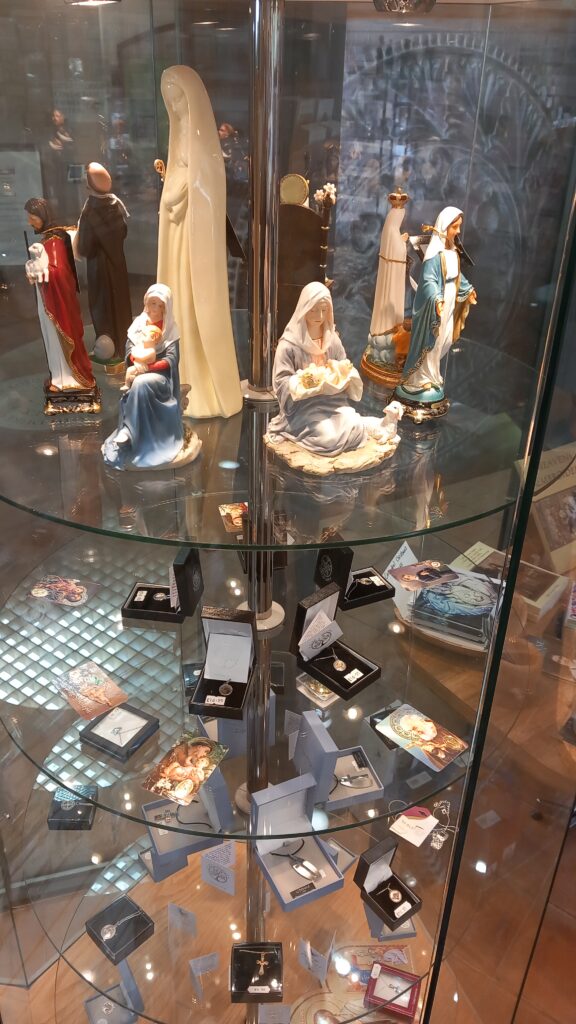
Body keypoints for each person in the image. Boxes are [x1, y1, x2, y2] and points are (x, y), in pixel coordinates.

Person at [157, 65, 242, 418]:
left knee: (193, 305)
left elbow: (202, 195)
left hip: (195, 247)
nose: (176, 109)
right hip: (177, 239)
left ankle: (203, 381)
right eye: (170, 102)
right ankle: (178, 371)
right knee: (175, 300)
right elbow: (174, 188)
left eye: (180, 100)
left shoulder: (206, 154)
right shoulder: (178, 146)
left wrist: (176, 194)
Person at [267, 282, 402, 456]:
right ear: (304, 308)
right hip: (303, 408)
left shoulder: (332, 340)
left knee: (354, 425)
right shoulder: (289, 345)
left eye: (324, 310)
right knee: (328, 439)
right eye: (314, 310)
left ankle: (371, 427)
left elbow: (343, 366)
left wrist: (341, 375)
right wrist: (302, 382)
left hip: (332, 403)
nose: (319, 315)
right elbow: (281, 382)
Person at [395, 205, 477, 414]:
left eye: (459, 227)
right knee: (432, 341)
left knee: (445, 339)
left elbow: (457, 276)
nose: (458, 231)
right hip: (436, 305)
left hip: (448, 300)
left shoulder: (452, 252)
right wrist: (437, 300)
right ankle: (419, 379)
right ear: (444, 227)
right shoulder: (435, 255)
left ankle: (432, 376)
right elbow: (429, 281)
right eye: (455, 227)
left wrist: (467, 290)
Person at [102, 284, 186, 470]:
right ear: (146, 303)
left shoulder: (171, 330)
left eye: (159, 305)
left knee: (140, 383)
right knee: (137, 382)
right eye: (152, 303)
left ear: (166, 308)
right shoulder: (138, 325)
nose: (155, 309)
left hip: (161, 378)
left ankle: (129, 432)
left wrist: (148, 367)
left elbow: (172, 360)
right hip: (140, 369)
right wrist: (136, 359)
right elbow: (130, 350)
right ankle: (128, 433)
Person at [24, 197, 97, 405]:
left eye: (32, 218)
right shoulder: (49, 239)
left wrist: (40, 271)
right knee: (52, 339)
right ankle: (59, 378)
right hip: (48, 300)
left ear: (43, 217)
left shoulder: (54, 241)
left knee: (59, 339)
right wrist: (32, 267)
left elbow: (58, 273)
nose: (30, 222)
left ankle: (70, 379)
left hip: (57, 303)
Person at [75, 161, 132, 362]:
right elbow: (123, 232)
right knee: (120, 302)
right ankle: (123, 344)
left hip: (98, 266)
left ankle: (106, 347)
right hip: (118, 264)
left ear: (89, 184)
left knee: (101, 303)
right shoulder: (116, 205)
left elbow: (85, 246)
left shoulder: (90, 209)